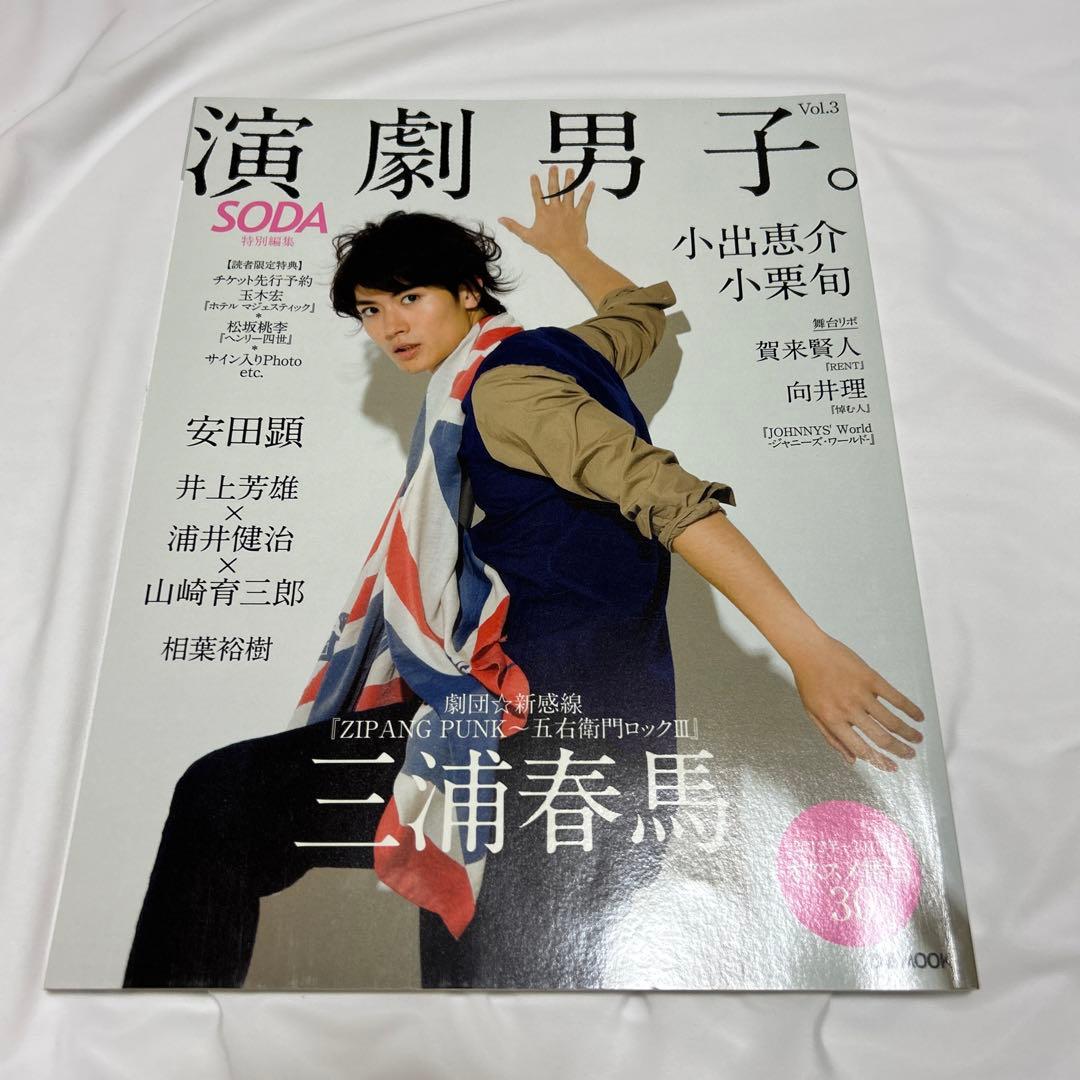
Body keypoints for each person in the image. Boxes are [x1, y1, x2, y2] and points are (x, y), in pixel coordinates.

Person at [124, 168, 923, 989]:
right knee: (469, 973)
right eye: (370, 310)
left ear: (469, 292)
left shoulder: (504, 390)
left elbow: (668, 497)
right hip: (563, 729)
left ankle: (156, 1024)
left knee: (232, 803)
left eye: (409, 298)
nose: (390, 327)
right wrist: (571, 249)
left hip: (540, 731)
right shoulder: (554, 356)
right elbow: (636, 319)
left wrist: (806, 648)